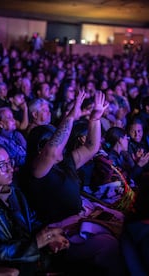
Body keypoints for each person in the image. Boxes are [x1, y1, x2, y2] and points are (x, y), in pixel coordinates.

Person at [21, 90, 126, 275]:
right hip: (61, 233)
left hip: (80, 220)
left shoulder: (66, 161)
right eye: (57, 142)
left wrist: (94, 120)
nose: (64, 145)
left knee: (121, 223)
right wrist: (71, 116)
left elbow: (92, 147)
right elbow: (50, 153)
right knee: (109, 245)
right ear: (41, 148)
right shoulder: (37, 170)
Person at [0, 143, 69, 275]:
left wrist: (49, 238)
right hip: (9, 268)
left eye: (9, 162)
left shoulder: (13, 192)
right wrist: (34, 245)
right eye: (2, 165)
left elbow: (31, 221)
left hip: (30, 259)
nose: (11, 169)